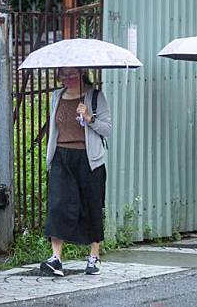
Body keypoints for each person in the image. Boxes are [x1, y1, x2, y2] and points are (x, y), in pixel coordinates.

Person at [41, 67, 112, 277]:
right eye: (63, 75)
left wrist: (89, 118)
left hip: (88, 159)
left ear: (81, 73)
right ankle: (56, 258)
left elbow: (107, 129)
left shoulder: (96, 96)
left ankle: (94, 256)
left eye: (72, 75)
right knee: (57, 205)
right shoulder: (57, 96)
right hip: (62, 156)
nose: (67, 79)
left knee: (91, 205)